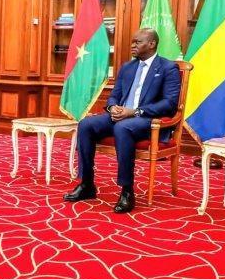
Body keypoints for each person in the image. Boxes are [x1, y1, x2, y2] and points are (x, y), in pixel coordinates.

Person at [64, 28, 181, 214]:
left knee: (123, 127)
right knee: (85, 124)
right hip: (121, 115)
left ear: (152, 44)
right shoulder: (127, 67)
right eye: (132, 42)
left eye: (138, 42)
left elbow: (169, 104)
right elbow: (114, 95)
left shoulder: (167, 68)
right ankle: (87, 184)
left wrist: (134, 112)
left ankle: (127, 190)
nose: (132, 45)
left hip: (146, 119)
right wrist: (113, 108)